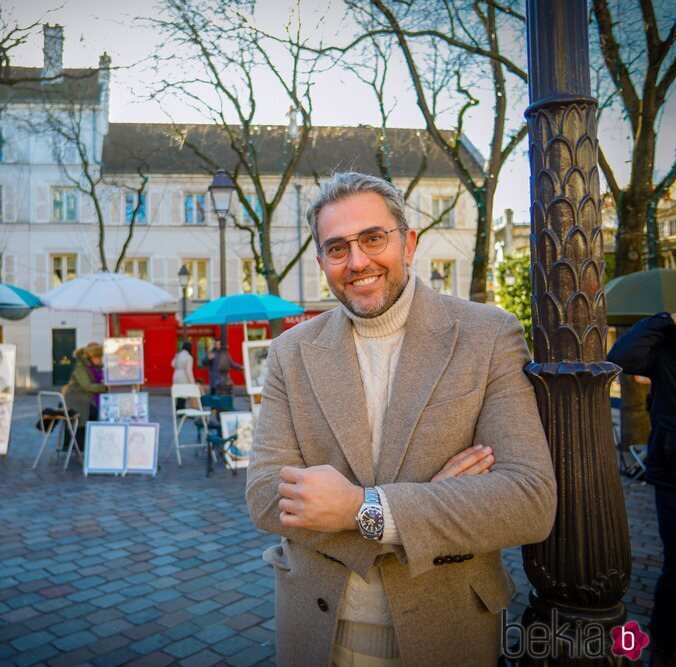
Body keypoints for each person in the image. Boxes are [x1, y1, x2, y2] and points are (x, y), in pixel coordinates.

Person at [246, 172, 557, 665]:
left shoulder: (487, 334)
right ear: (322, 261)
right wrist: (440, 502)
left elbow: (527, 501)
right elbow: (265, 497)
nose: (358, 262)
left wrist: (358, 508)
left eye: (373, 238)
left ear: (408, 243)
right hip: (316, 629)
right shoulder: (291, 351)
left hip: (448, 626)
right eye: (337, 248)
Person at [607, 313, 676, 666]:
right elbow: (621, 357)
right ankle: (664, 646)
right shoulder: (667, 344)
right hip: (672, 468)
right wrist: (665, 320)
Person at [63, 342, 107, 451]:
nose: (99, 360)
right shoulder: (81, 368)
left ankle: (96, 445)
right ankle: (87, 447)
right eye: (96, 357)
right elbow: (87, 386)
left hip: (88, 399)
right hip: (78, 401)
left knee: (105, 412)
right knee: (97, 414)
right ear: (89, 357)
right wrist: (105, 387)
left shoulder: (96, 368)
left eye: (100, 357)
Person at [171, 341, 196, 410]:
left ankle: (178, 408)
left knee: (178, 393)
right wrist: (192, 382)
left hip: (176, 374)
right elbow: (188, 370)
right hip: (184, 376)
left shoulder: (178, 354)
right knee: (184, 393)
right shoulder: (189, 357)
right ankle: (181, 409)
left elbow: (172, 364)